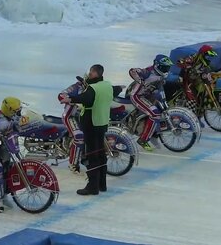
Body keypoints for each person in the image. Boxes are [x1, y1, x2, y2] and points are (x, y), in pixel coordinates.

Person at [60, 64, 122, 195]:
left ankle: (92, 186)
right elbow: (115, 90)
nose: (88, 75)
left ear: (94, 73)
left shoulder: (93, 88)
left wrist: (70, 99)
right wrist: (120, 88)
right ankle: (102, 184)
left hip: (91, 124)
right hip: (102, 123)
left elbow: (85, 99)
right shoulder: (107, 85)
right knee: (100, 154)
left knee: (92, 156)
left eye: (90, 72)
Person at [128, 54, 174, 151]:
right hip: (137, 96)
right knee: (155, 114)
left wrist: (164, 101)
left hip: (147, 96)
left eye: (168, 68)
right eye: (165, 67)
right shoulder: (148, 72)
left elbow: (160, 89)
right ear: (158, 65)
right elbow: (132, 70)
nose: (167, 70)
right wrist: (140, 81)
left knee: (161, 109)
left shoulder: (160, 75)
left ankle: (153, 134)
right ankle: (143, 140)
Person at [177, 45, 218, 122]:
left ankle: (197, 118)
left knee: (201, 98)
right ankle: (189, 120)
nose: (209, 58)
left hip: (196, 80)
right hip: (185, 80)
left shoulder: (205, 64)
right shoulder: (193, 57)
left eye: (210, 57)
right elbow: (179, 62)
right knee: (191, 99)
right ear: (203, 54)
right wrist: (187, 65)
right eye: (208, 56)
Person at [58, 77, 86, 174]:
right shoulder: (75, 87)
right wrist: (71, 100)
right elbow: (61, 95)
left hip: (81, 117)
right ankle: (73, 164)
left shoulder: (91, 87)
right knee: (79, 137)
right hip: (70, 117)